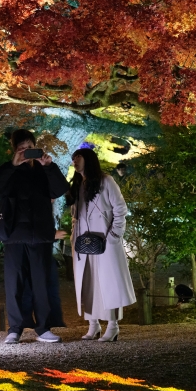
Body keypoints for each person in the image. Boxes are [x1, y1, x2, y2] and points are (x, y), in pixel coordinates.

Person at [0, 129, 69, 344]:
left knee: (41, 284)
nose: (26, 152)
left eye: (29, 148)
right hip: (14, 236)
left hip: (41, 235)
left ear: (35, 146)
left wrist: (49, 166)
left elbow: (60, 189)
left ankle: (43, 328)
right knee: (14, 284)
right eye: (21, 149)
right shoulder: (11, 171)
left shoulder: (44, 171)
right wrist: (12, 165)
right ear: (14, 151)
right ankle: (15, 329)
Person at [58, 146, 135, 342]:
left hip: (105, 241)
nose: (74, 161)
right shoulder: (77, 184)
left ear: (88, 159)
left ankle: (113, 326)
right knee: (87, 283)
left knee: (109, 283)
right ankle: (93, 325)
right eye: (73, 158)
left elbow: (120, 209)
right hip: (83, 242)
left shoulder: (106, 180)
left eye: (79, 157)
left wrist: (113, 237)